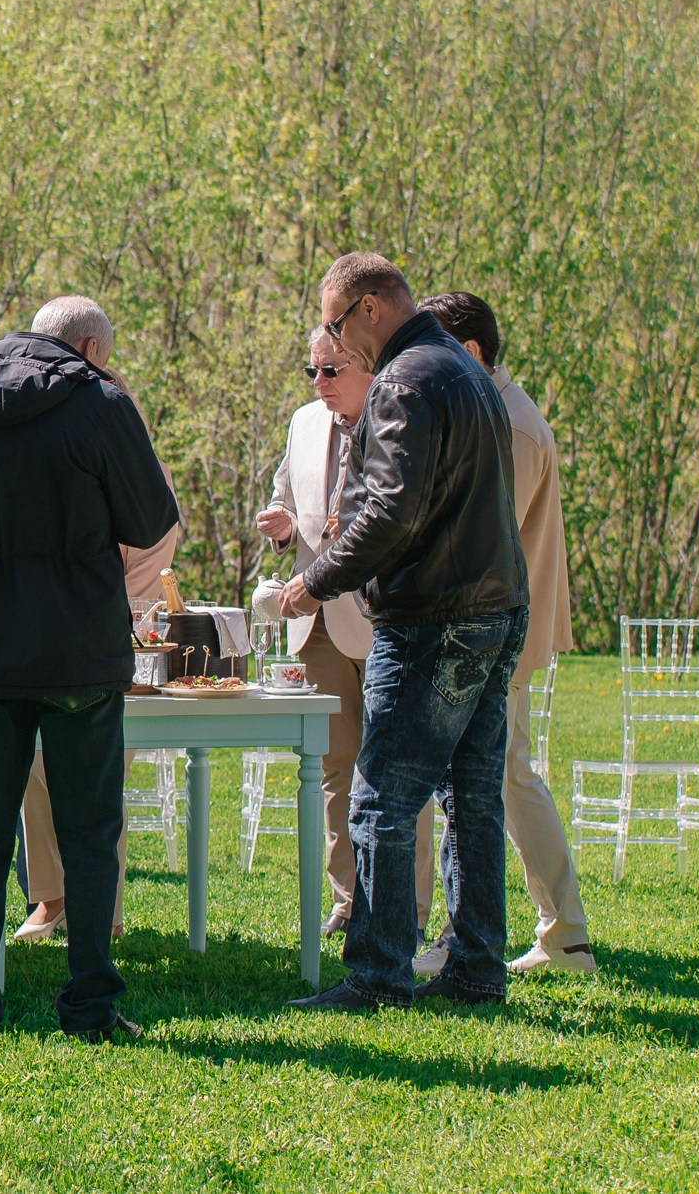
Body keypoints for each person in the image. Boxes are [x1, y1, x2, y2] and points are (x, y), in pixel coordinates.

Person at [0, 295, 181, 1043]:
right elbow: (150, 519)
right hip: (77, 646)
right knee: (90, 829)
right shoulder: (102, 403)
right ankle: (91, 1006)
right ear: (93, 349)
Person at [279, 253, 529, 1014]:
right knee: (473, 796)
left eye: (332, 323)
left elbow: (391, 513)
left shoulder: (405, 380)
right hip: (495, 607)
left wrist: (312, 580)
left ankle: (380, 976)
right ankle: (479, 966)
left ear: (369, 309)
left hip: (435, 619)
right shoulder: (463, 369)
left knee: (381, 796)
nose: (333, 343)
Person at [416, 291, 593, 978]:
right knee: (505, 778)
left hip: (499, 636)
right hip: (499, 632)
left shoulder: (510, 426)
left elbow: (484, 540)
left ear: (471, 353)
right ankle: (560, 934)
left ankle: (553, 933)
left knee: (498, 780)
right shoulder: (502, 413)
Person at [10, 302, 181, 946]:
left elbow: (154, 521)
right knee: (30, 763)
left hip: (110, 629)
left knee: (85, 769)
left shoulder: (114, 408)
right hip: (30, 631)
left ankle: (95, 910)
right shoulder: (18, 410)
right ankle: (51, 898)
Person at [258, 325, 434, 939]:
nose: (319, 383)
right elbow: (288, 498)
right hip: (316, 622)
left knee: (395, 770)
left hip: (383, 618)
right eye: (312, 371)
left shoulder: (399, 418)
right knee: (336, 768)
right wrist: (281, 527)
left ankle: (405, 911)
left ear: (365, 365)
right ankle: (348, 900)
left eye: (331, 371)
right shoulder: (305, 423)